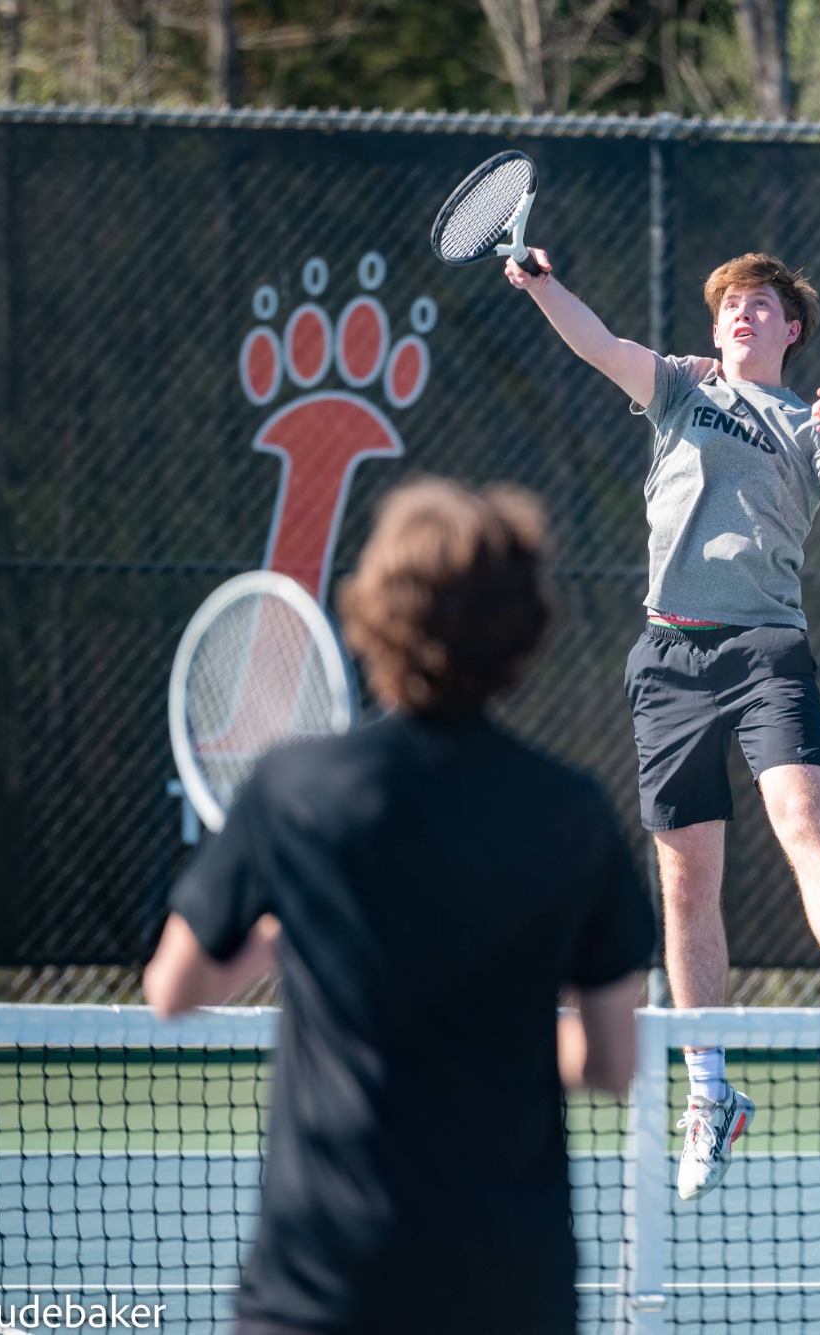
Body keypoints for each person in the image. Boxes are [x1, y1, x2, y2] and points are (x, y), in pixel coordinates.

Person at [144, 478, 655, 1335]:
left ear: (376, 609)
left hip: (322, 1290)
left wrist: (278, 934)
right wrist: (510, 1032)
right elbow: (611, 1059)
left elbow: (173, 987)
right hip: (510, 1290)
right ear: (522, 627)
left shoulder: (294, 791)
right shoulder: (573, 812)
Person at [507, 247, 820, 1203]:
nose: (740, 316)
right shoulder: (681, 387)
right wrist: (541, 283)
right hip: (669, 657)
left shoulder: (808, 422)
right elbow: (598, 345)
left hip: (767, 648)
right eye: (730, 303)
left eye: (759, 306)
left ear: (790, 328)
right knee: (685, 884)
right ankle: (710, 1093)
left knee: (805, 824)